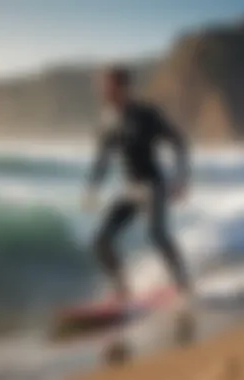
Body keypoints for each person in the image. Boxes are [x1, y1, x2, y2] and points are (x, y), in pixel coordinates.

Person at [82, 65, 192, 314]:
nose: (102, 90)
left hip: (153, 185)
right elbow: (103, 158)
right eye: (101, 86)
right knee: (101, 240)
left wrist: (181, 178)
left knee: (156, 234)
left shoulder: (145, 114)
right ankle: (122, 290)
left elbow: (179, 142)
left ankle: (183, 284)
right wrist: (92, 188)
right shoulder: (108, 118)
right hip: (130, 189)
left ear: (122, 87)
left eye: (106, 85)